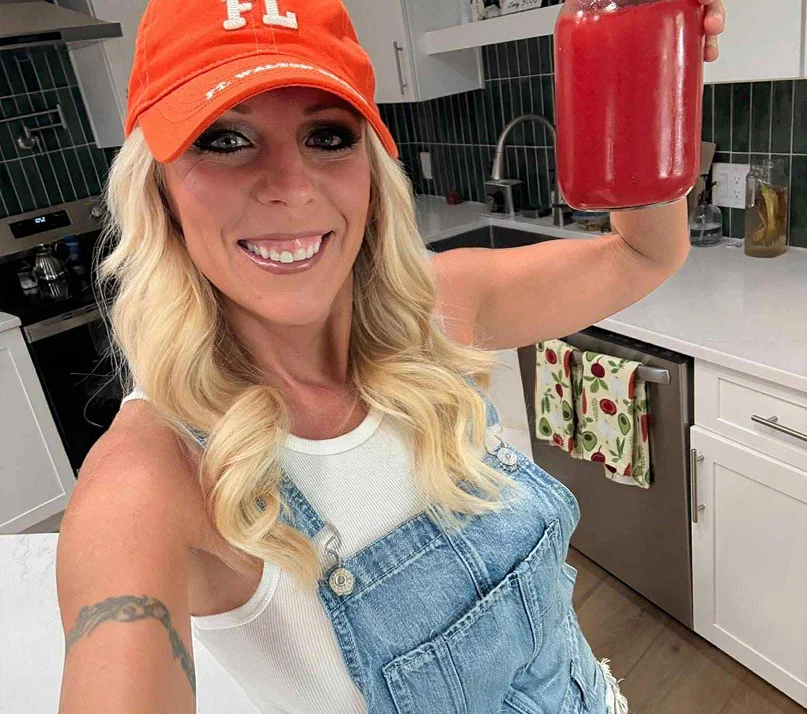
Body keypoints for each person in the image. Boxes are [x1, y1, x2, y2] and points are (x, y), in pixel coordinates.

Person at [55, 1, 726, 713]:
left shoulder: (435, 312)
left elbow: (645, 253)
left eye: (327, 136)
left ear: (370, 173)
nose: (292, 185)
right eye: (224, 140)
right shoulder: (147, 482)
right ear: (158, 188)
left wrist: (650, 77)